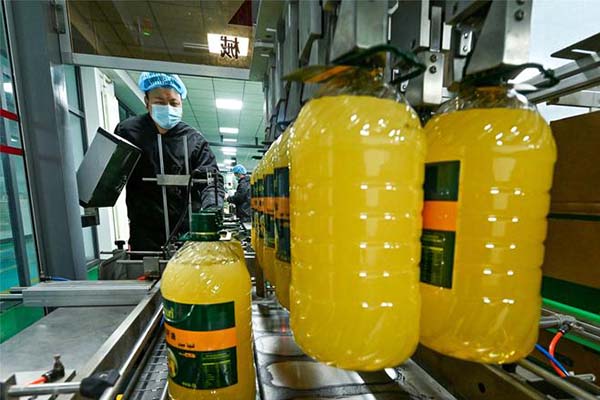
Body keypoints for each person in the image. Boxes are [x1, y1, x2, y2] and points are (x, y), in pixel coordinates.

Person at [115, 72, 224, 251]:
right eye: (159, 102)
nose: (167, 108)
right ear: (147, 102)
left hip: (188, 235)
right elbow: (110, 176)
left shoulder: (194, 140)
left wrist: (212, 209)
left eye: (174, 103)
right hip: (145, 235)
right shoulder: (128, 132)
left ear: (181, 103)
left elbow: (212, 181)